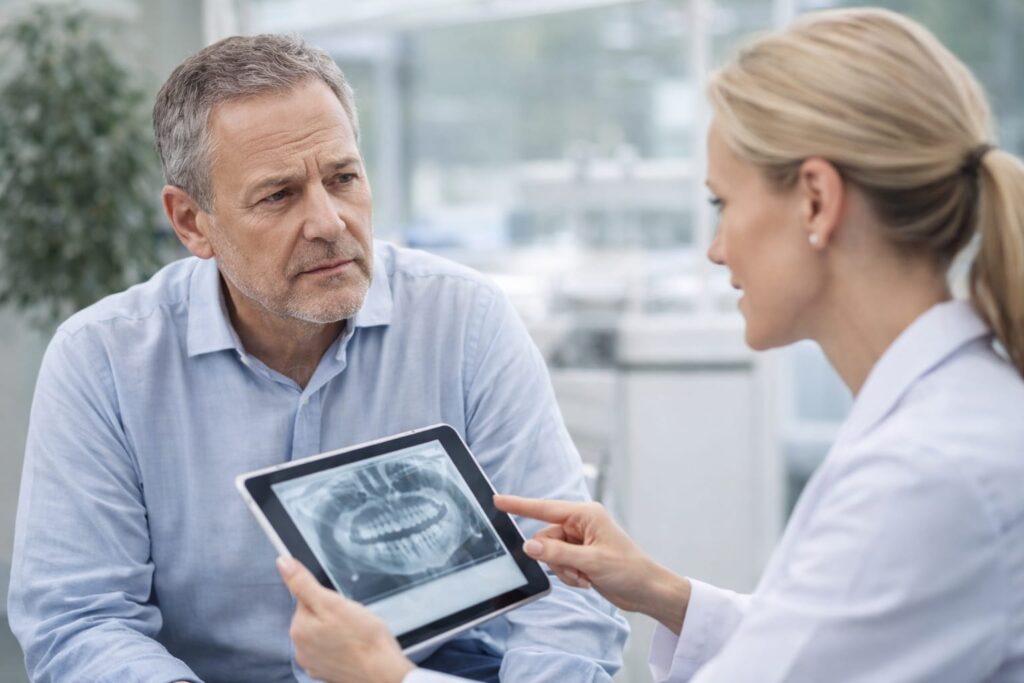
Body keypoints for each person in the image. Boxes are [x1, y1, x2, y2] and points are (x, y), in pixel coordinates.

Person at [271, 7, 1024, 682]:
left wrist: (383, 675)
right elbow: (832, 641)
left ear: (818, 201)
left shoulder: (925, 474)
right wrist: (664, 591)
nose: (715, 249)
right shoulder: (950, 425)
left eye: (722, 203)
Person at [6, 34, 628, 682]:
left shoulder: (465, 320)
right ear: (192, 221)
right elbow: (81, 619)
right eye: (278, 195)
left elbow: (567, 584)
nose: (329, 221)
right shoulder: (103, 359)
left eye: (343, 178)